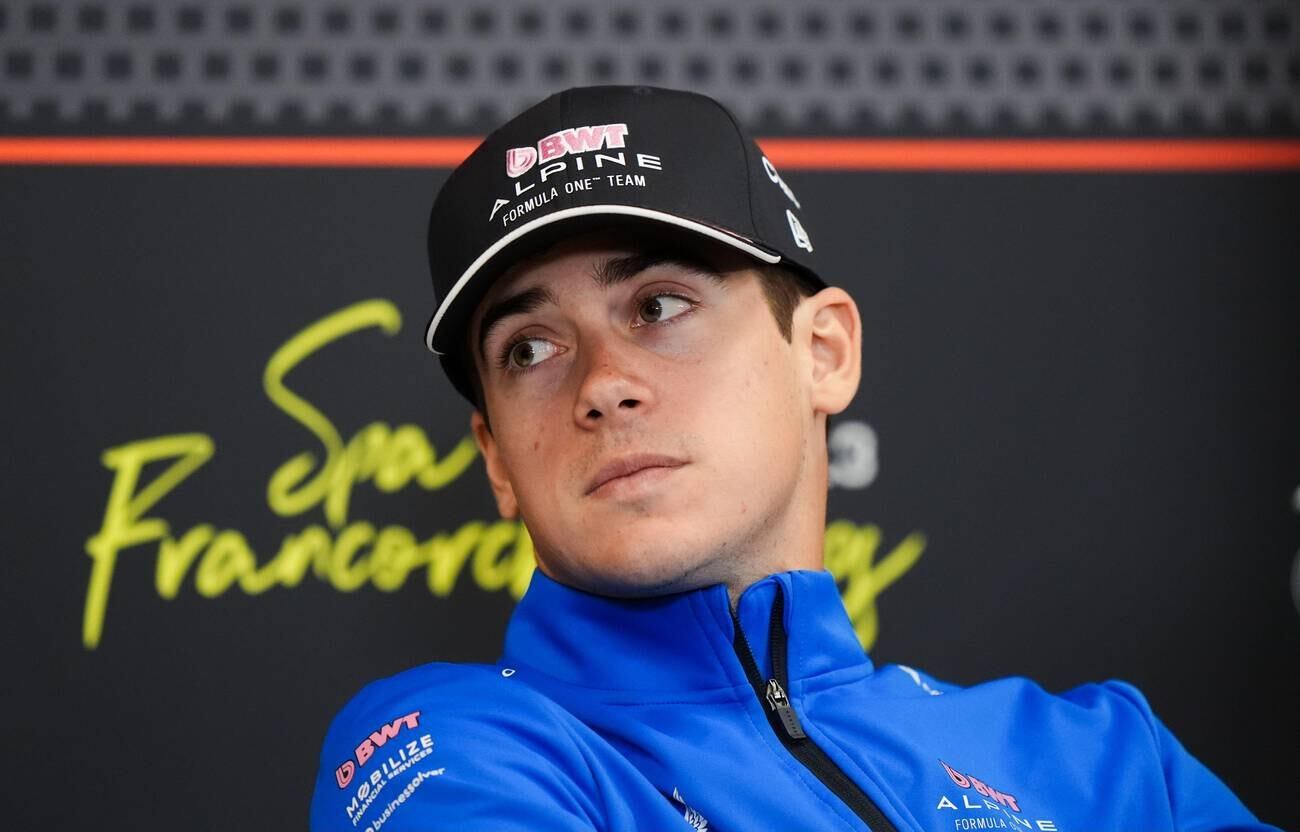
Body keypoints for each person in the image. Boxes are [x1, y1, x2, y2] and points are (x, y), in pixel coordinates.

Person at [310, 86, 1272, 832]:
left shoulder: (1104, 761)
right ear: (496, 461)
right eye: (528, 349)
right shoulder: (442, 750)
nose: (602, 384)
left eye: (659, 306)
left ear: (824, 352)